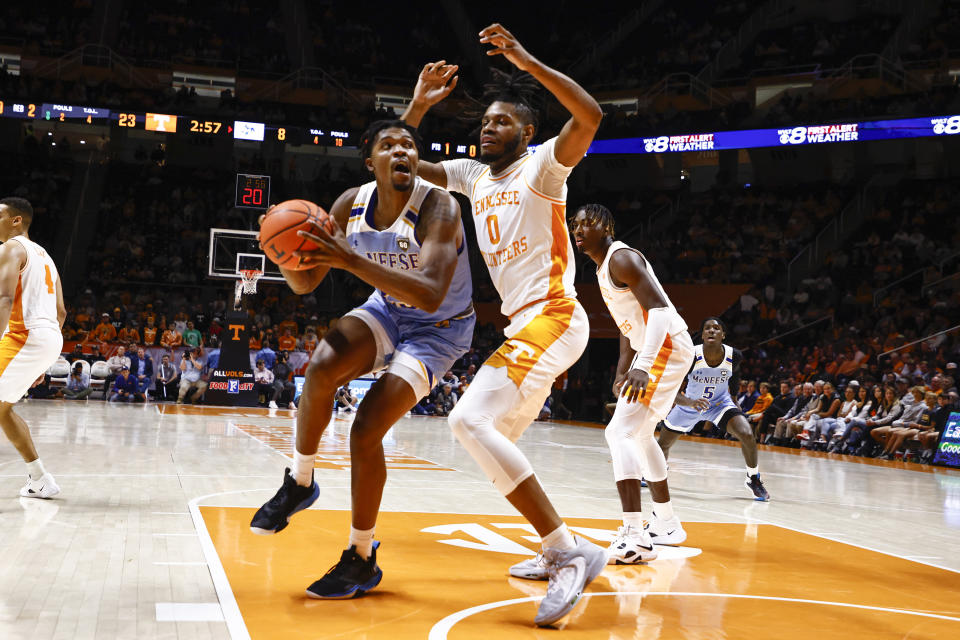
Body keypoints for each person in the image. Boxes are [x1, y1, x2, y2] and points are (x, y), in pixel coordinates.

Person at [402, 25, 606, 625]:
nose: (487, 127)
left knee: (468, 419)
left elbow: (590, 115)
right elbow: (401, 164)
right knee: (494, 446)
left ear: (527, 132)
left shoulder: (543, 168)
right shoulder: (471, 177)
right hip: (525, 327)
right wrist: (418, 105)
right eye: (484, 121)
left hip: (556, 315)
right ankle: (554, 549)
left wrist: (523, 59)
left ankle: (570, 552)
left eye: (501, 121)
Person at [248, 117, 475, 604]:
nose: (402, 152)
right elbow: (306, 285)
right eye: (389, 145)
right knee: (322, 366)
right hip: (388, 310)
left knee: (366, 428)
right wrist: (284, 251)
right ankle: (300, 481)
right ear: (369, 161)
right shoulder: (350, 205)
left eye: (410, 146)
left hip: (438, 330)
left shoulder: (439, 206)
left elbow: (433, 294)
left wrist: (350, 260)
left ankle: (361, 554)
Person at [571, 203, 694, 562]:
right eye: (574, 225)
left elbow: (659, 311)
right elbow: (629, 323)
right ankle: (667, 523)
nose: (579, 230)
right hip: (660, 350)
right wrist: (623, 368)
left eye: (587, 223)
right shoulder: (601, 267)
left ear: (606, 226)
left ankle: (635, 535)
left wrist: (644, 363)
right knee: (639, 434)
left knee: (618, 432)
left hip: (666, 348)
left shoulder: (621, 257)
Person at [658, 317, 771, 501]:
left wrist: (734, 399)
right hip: (689, 405)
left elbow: (734, 376)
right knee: (662, 445)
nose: (712, 331)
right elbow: (672, 389)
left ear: (723, 335)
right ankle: (657, 470)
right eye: (707, 328)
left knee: (747, 434)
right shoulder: (690, 355)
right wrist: (689, 402)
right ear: (702, 335)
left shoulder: (734, 355)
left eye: (716, 328)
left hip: (719, 404)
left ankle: (753, 478)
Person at [0, 197, 66, 498]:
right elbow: (62, 312)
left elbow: (4, 299)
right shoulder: (47, 257)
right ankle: (40, 479)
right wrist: (42, 362)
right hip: (49, 336)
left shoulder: (11, 248)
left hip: (23, 335)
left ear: (16, 220)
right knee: (3, 410)